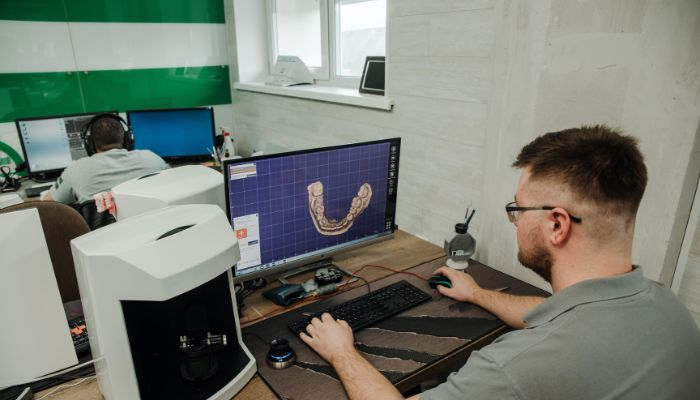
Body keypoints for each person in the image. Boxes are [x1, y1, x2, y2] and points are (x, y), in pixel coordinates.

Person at [300, 125, 700, 400]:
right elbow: (561, 316)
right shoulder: (670, 310)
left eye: (518, 209)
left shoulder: (514, 368)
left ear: (556, 224)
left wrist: (342, 352)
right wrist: (477, 294)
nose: (515, 221)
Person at [43, 115, 168, 204]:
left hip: (107, 238)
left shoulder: (75, 170)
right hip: (154, 231)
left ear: (90, 144)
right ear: (127, 140)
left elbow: (48, 203)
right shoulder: (152, 158)